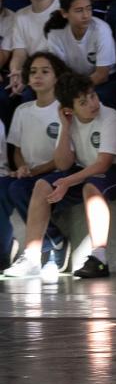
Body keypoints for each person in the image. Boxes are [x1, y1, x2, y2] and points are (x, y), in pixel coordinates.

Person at [3, 72, 116, 279]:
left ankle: (99, 258)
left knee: (91, 186)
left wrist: (67, 181)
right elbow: (63, 163)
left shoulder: (110, 117)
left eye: (93, 96)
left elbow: (103, 164)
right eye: (83, 102)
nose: (92, 104)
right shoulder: (69, 120)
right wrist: (65, 127)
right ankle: (32, 256)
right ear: (69, 109)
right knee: (42, 185)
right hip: (86, 169)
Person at [0, 52, 70, 273]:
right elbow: (18, 149)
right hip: (31, 173)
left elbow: (66, 155)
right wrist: (21, 166)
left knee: (25, 188)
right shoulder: (22, 110)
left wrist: (36, 171)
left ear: (57, 77)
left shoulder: (64, 108)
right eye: (33, 72)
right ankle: (50, 242)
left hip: (56, 171)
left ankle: (51, 243)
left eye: (45, 71)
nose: (38, 76)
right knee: (9, 188)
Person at [44, 0, 116, 108]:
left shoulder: (101, 30)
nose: (86, 15)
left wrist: (76, 90)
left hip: (106, 81)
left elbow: (102, 75)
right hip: (72, 81)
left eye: (89, 9)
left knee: (97, 97)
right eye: (79, 10)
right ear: (64, 13)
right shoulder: (55, 33)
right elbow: (60, 71)